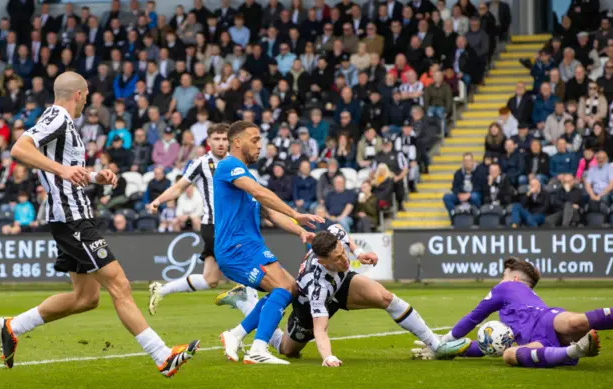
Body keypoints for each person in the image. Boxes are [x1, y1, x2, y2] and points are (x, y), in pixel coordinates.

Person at [2, 72, 198, 377]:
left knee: (86, 298)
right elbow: (19, 148)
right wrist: (62, 170)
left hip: (74, 215)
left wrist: (96, 176)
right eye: (86, 94)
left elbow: (70, 171)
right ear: (79, 94)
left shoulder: (65, 124)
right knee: (119, 284)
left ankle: (13, 326)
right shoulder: (57, 116)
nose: (87, 100)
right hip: (72, 218)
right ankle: (162, 356)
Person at [217, 225, 468, 366]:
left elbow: (343, 235)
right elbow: (321, 331)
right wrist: (328, 357)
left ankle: (436, 345)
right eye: (337, 258)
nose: (342, 258)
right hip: (309, 306)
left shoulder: (334, 238)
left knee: (385, 298)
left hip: (340, 286)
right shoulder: (316, 287)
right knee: (288, 350)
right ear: (324, 262)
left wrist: (357, 254)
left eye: (341, 252)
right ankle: (246, 303)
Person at [214, 121, 323, 365]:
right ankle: (258, 348)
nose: (260, 145)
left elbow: (271, 213)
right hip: (237, 247)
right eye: (254, 140)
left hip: (246, 246)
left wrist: (299, 231)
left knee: (288, 288)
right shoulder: (229, 165)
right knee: (284, 288)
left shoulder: (242, 177)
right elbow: (261, 193)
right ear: (237, 142)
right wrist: (296, 213)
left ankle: (235, 335)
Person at [413, 256, 610, 368]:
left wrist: (443, 341)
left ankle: (572, 350)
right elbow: (488, 346)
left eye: (503, 275)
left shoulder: (505, 288)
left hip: (544, 320)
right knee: (509, 354)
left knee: (574, 322)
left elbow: (473, 318)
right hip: (539, 334)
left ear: (514, 279)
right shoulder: (522, 298)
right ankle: (574, 350)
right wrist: (452, 350)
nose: (500, 280)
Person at [146, 124, 256, 314]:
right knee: (246, 272)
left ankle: (161, 290)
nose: (221, 143)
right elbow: (179, 187)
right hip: (215, 225)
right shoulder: (200, 164)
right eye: (217, 139)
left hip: (234, 225)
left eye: (224, 139)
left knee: (210, 279)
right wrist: (158, 200)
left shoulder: (236, 162)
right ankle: (257, 329)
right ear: (209, 142)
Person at [442, 153, 484, 217]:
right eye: (465, 161)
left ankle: (476, 217)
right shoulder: (458, 173)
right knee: (446, 197)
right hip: (461, 194)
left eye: (469, 160)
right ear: (463, 162)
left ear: (473, 161)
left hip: (474, 194)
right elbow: (454, 187)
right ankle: (455, 215)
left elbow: (481, 186)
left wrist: (469, 194)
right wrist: (459, 194)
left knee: (474, 197)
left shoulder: (480, 171)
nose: (467, 163)